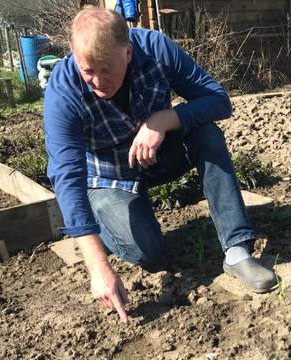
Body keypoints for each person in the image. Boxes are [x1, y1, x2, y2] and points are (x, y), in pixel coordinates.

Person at [43, 7, 276, 322]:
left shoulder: (156, 49)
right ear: (73, 56)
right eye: (88, 71)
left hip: (158, 155)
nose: (97, 82)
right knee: (148, 252)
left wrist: (164, 119)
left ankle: (237, 251)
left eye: (106, 69)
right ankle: (105, 223)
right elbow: (67, 175)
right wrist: (97, 266)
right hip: (109, 177)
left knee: (207, 135)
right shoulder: (64, 90)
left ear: (127, 53)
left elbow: (218, 100)